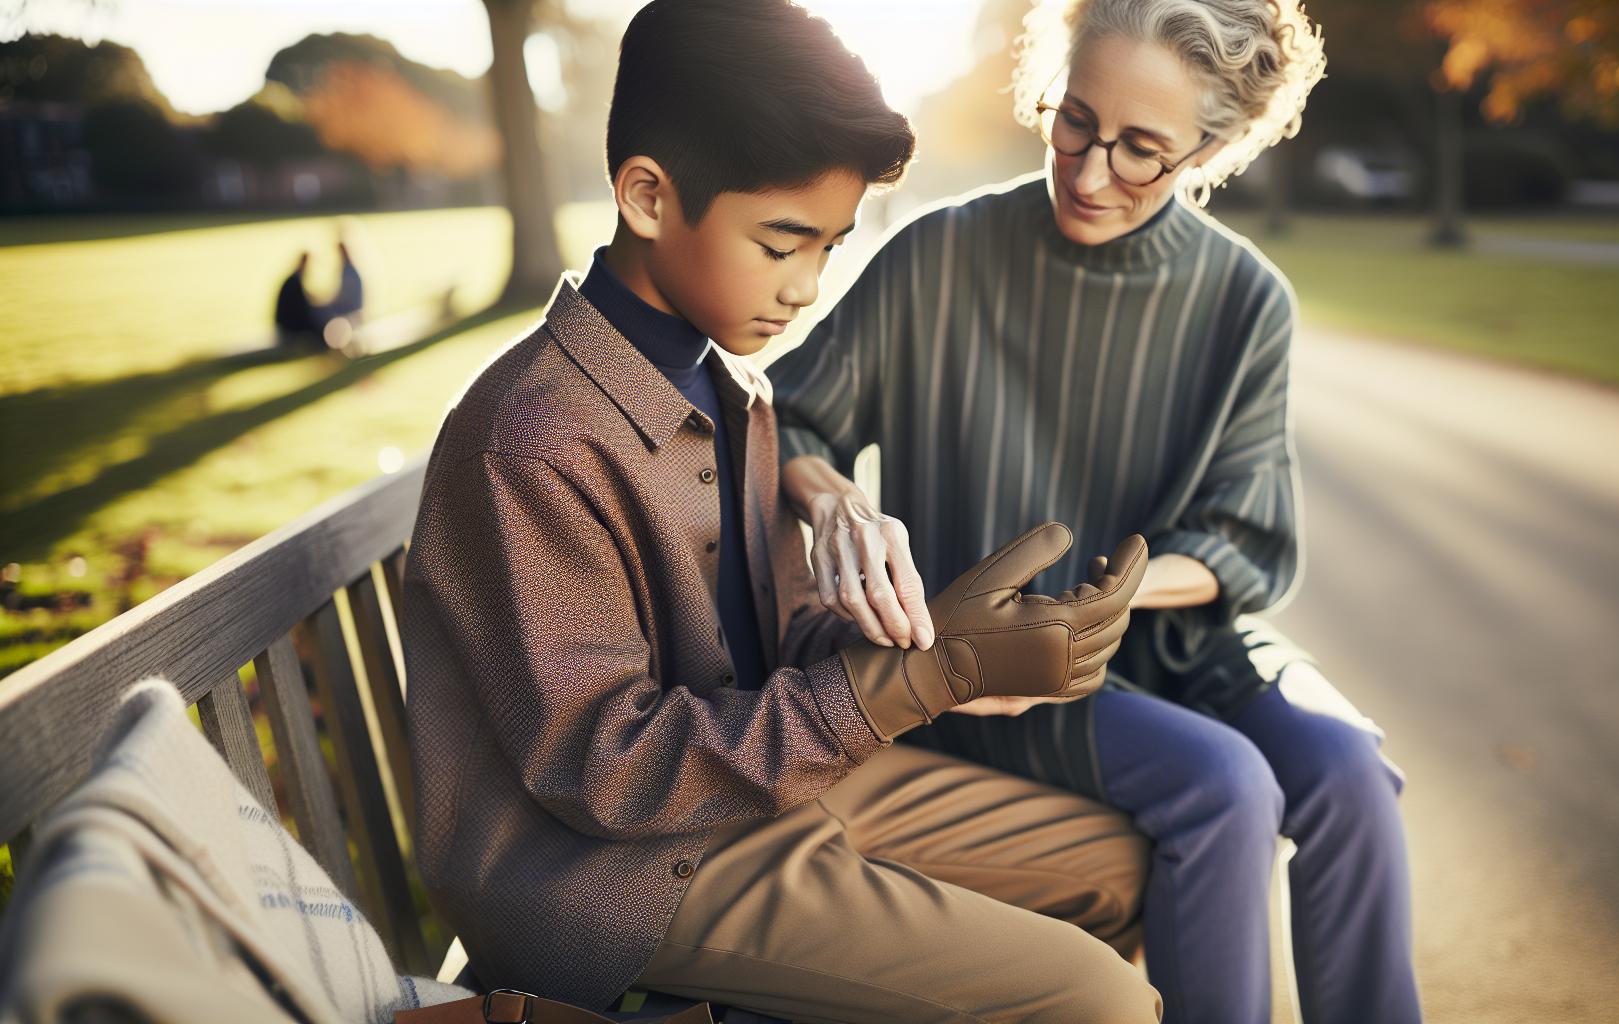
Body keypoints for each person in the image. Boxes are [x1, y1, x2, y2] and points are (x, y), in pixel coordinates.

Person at [398, 2, 1162, 1021]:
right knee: (1096, 1003)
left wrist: (947, 644)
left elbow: (775, 643)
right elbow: (607, 768)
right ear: (647, 197)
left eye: (832, 246)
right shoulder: (534, 440)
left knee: (1117, 864)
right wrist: (913, 680)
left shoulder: (735, 393)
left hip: (766, 790)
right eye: (782, 242)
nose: (807, 287)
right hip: (611, 877)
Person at [767, 0, 1423, 1021]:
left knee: (1348, 772)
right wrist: (840, 501)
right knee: (1229, 788)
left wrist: (1106, 601)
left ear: (1211, 147)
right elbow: (789, 420)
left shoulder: (1246, 299)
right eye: (1073, 120)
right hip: (991, 676)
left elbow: (1244, 539)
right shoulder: (940, 257)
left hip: (1173, 648)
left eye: (1140, 150)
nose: (1086, 171)